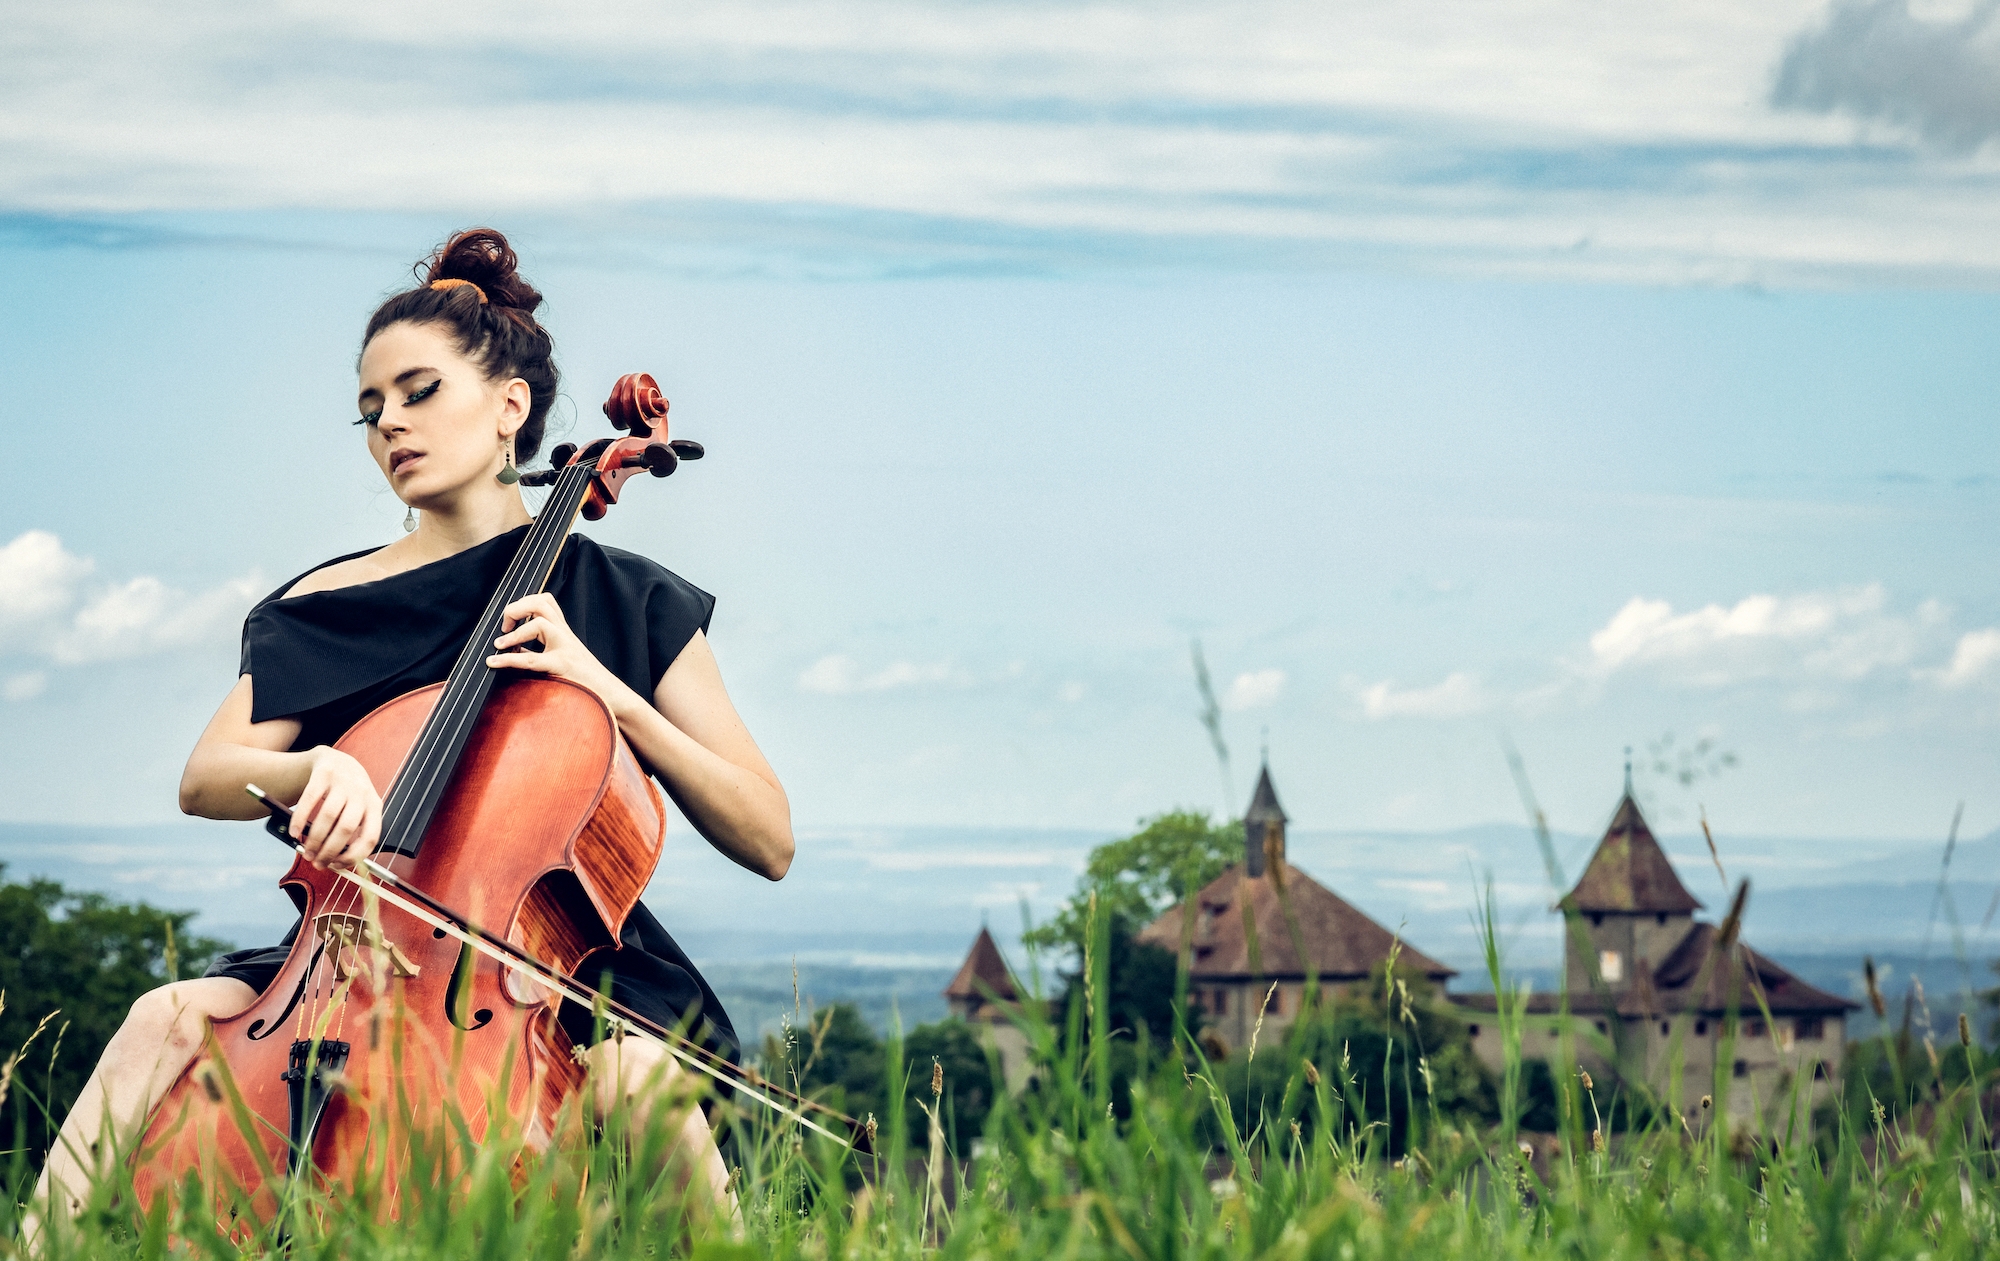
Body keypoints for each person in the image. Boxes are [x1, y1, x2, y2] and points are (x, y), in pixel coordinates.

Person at [33, 228, 791, 1227]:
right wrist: (311, 773)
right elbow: (209, 773)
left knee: (640, 1082)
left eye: (418, 391)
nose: (390, 422)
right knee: (163, 1015)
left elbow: (767, 836)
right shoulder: (324, 604)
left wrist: (605, 690)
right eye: (370, 408)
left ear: (509, 406)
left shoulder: (625, 599)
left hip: (563, 979)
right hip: (349, 962)